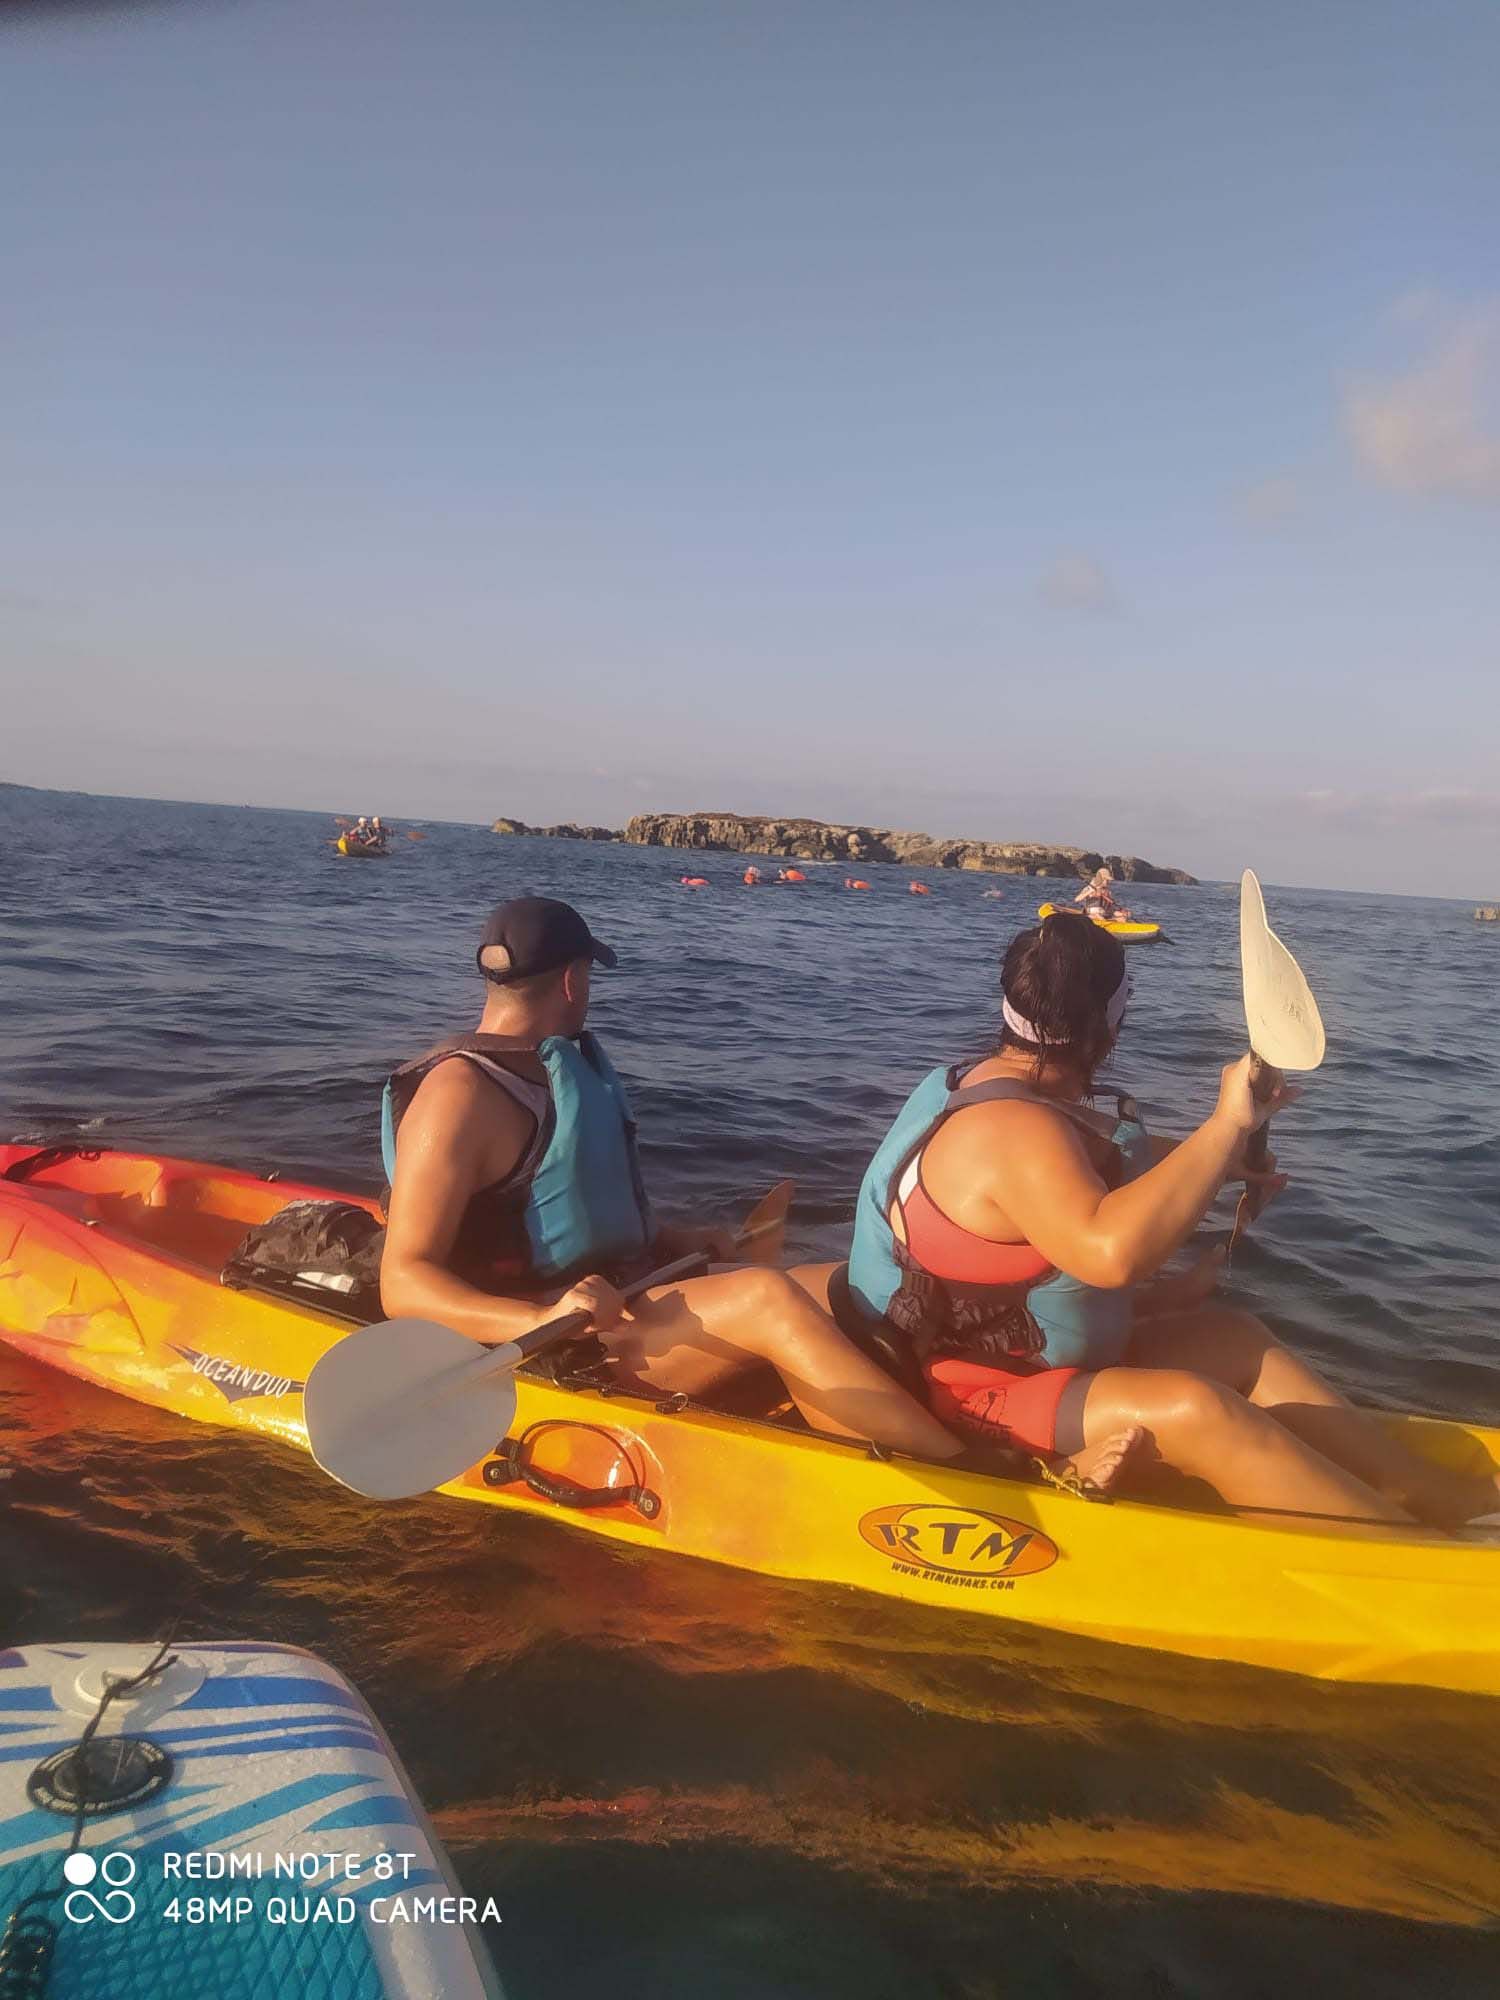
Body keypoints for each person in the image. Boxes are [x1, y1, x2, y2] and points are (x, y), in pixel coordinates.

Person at [831, 912, 1500, 1526]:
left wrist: (1225, 1155)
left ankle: (1433, 1496)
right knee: (1195, 1407)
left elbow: (1087, 1171)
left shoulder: (979, 1086)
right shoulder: (1010, 1131)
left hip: (1028, 1368)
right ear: (1115, 1020)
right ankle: (1405, 1558)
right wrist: (1224, 1122)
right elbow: (1111, 1252)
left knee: (1235, 1339)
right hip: (972, 1393)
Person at [378, 897, 961, 1460]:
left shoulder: (546, 1070)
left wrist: (669, 1238)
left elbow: (558, 1207)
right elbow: (403, 1282)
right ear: (571, 982)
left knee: (840, 1283)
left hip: (615, 1303)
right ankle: (969, 1478)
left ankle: (921, 1420)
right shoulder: (459, 1093)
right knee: (766, 1296)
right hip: (541, 1340)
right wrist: (537, 1320)